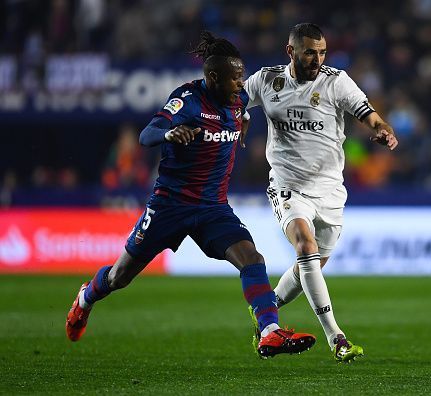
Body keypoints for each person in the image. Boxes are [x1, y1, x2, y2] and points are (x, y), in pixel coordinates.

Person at [66, 32, 316, 359]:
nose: (241, 83)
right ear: (213, 77)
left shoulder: (237, 101)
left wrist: (244, 123)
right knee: (119, 276)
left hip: (213, 207)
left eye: (242, 76)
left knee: (253, 259)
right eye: (235, 77)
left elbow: (245, 113)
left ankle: (269, 332)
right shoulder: (188, 99)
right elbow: (148, 133)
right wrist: (170, 132)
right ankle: (85, 299)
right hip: (170, 205)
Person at [243, 23, 398, 362]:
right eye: (310, 52)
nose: (317, 59)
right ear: (291, 52)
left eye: (322, 52)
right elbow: (233, 104)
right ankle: (337, 337)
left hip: (329, 191)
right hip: (288, 185)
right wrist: (236, 120)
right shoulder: (266, 80)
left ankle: (265, 310)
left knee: (309, 266)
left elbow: (367, 114)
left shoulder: (336, 81)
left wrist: (383, 129)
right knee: (305, 246)